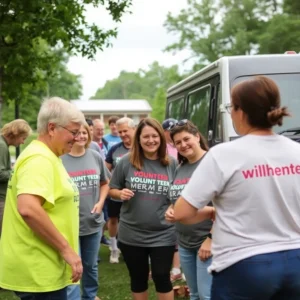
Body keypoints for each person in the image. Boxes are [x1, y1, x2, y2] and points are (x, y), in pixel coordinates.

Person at [173, 76, 300, 300]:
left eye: (232, 107)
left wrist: (213, 211)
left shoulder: (224, 154)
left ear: (241, 111)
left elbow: (182, 212)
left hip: (244, 263)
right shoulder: (295, 151)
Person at [0, 97, 85, 299]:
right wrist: (67, 250)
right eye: (73, 132)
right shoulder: (39, 159)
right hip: (38, 268)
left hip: (44, 265)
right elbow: (28, 208)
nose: (77, 137)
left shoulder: (48, 156)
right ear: (52, 128)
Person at [109, 117, 177, 300]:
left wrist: (173, 205)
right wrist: (119, 193)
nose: (151, 140)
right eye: (146, 136)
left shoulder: (171, 163)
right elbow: (111, 189)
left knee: (162, 276)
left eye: (155, 136)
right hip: (132, 233)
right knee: (138, 278)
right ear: (138, 139)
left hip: (163, 233)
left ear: (161, 138)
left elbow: (181, 194)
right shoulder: (125, 162)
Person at [165, 120, 213, 300]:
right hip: (185, 243)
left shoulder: (212, 162)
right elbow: (177, 200)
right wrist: (171, 209)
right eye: (178, 142)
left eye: (186, 139)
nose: (183, 145)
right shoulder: (181, 167)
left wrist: (211, 239)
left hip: (207, 243)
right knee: (193, 294)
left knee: (206, 295)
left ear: (197, 136)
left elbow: (227, 207)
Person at [62, 122, 110, 300]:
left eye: (84, 132)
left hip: (93, 222)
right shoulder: (60, 159)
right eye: (77, 133)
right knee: (73, 266)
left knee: (90, 266)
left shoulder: (95, 156)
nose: (81, 136)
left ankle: (90, 296)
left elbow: (105, 183)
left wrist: (101, 201)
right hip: (69, 225)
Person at [105, 117, 136, 264]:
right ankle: (114, 249)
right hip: (116, 193)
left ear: (133, 129)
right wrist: (110, 183)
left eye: (125, 131)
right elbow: (105, 170)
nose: (123, 134)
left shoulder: (141, 147)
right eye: (120, 132)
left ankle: (134, 248)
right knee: (113, 219)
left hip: (135, 195)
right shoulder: (115, 149)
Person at [0, 119, 32, 235]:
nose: (23, 142)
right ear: (16, 134)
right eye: (23, 138)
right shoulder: (2, 146)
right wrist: (16, 171)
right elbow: (0, 174)